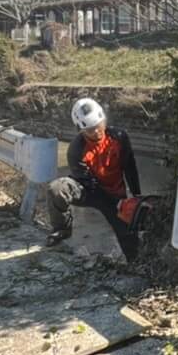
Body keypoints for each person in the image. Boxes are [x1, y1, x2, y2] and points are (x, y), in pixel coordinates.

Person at [45, 97, 143, 260]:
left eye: (99, 126)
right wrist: (114, 204)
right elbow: (92, 186)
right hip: (88, 190)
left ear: (104, 120)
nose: (97, 132)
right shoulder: (76, 150)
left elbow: (129, 167)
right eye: (90, 130)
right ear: (81, 130)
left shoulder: (119, 137)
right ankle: (62, 229)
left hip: (115, 190)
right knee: (57, 189)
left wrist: (136, 196)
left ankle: (136, 260)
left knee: (128, 233)